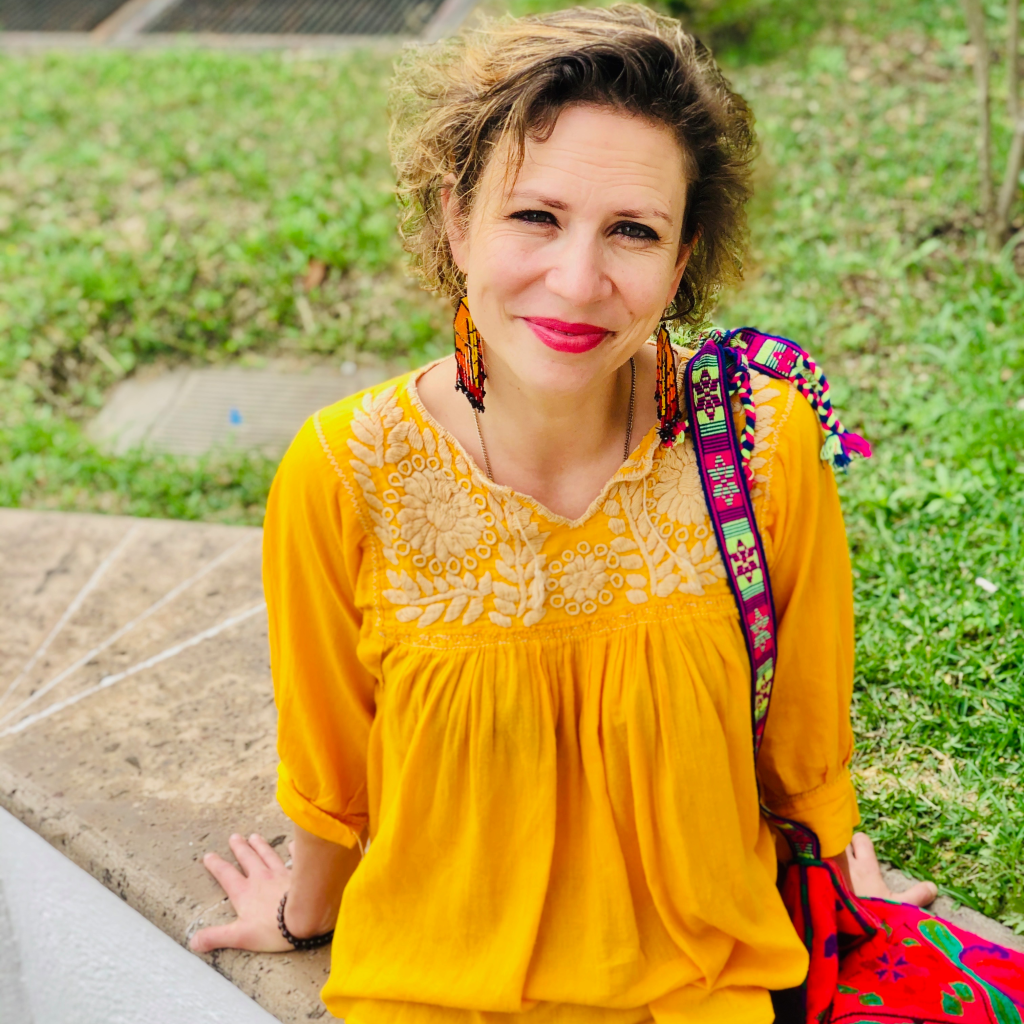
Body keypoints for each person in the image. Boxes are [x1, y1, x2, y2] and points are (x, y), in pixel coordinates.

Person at [189, 6, 943, 1022]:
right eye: (534, 216)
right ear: (457, 222)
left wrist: (844, 898)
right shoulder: (342, 471)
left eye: (633, 230)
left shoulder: (759, 446)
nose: (578, 281)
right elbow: (332, 770)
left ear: (682, 264)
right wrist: (300, 911)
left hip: (708, 995)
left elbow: (802, 740)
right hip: (426, 1002)